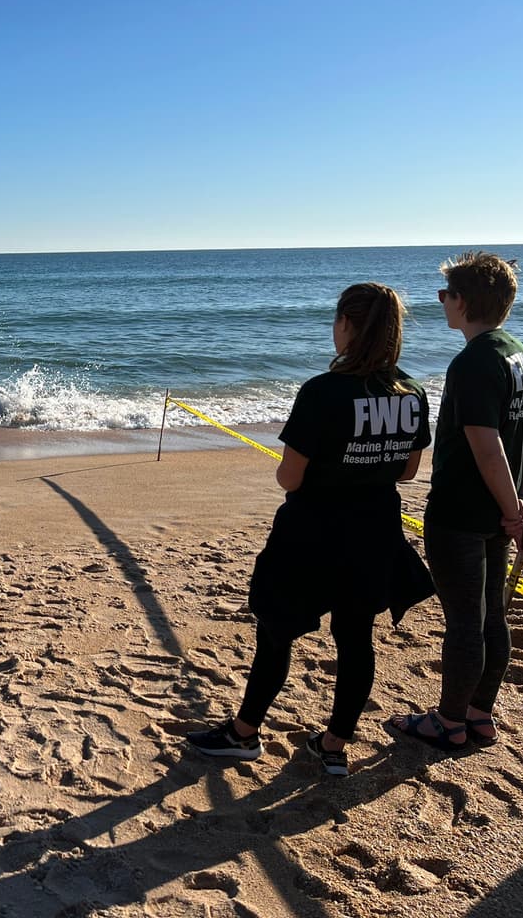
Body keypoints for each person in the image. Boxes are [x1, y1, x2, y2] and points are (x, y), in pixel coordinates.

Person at [187, 283, 434, 776]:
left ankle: (244, 733)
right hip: (374, 529)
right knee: (355, 637)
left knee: (277, 631)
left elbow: (289, 476)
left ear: (347, 324)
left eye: (337, 321)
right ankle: (334, 745)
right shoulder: (411, 392)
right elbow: (407, 471)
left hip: (312, 532)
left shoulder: (322, 392)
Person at [387, 252, 523, 751]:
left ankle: (451, 720)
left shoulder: (474, 361)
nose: (441, 304)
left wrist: (512, 509)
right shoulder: (521, 353)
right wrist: (520, 503)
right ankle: (480, 714)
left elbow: (486, 443)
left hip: (462, 512)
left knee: (465, 622)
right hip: (501, 510)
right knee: (490, 616)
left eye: (445, 296)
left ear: (462, 301)